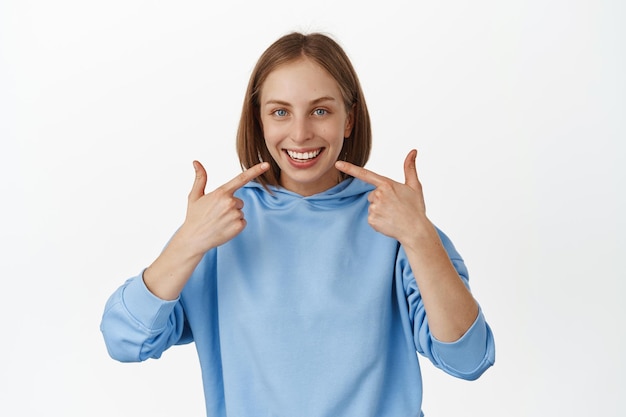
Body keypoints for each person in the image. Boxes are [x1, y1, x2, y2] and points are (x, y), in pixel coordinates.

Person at [100, 32, 495, 417]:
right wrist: (186, 243)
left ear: (349, 120)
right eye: (280, 112)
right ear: (260, 121)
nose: (301, 133)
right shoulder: (220, 224)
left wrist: (419, 236)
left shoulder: (395, 221)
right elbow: (124, 340)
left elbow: (469, 359)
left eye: (320, 110)